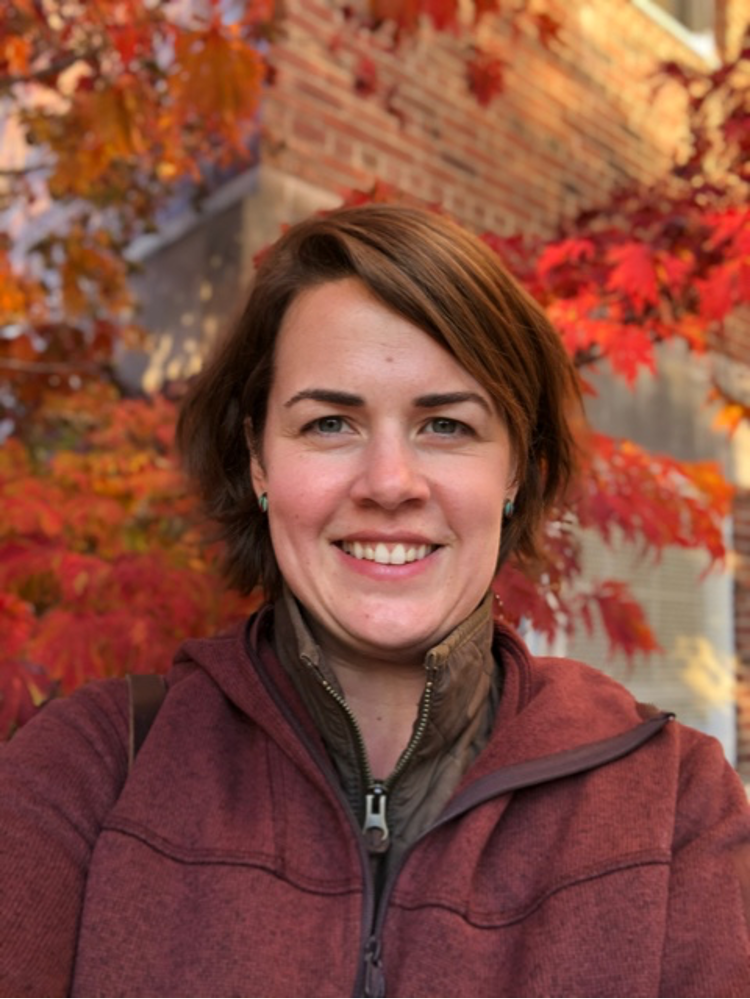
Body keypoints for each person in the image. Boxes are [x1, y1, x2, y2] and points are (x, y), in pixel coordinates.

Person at [1, 204, 749, 999]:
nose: (390, 483)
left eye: (447, 425)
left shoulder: (672, 805)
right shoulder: (86, 773)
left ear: (518, 471)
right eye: (330, 422)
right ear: (258, 458)